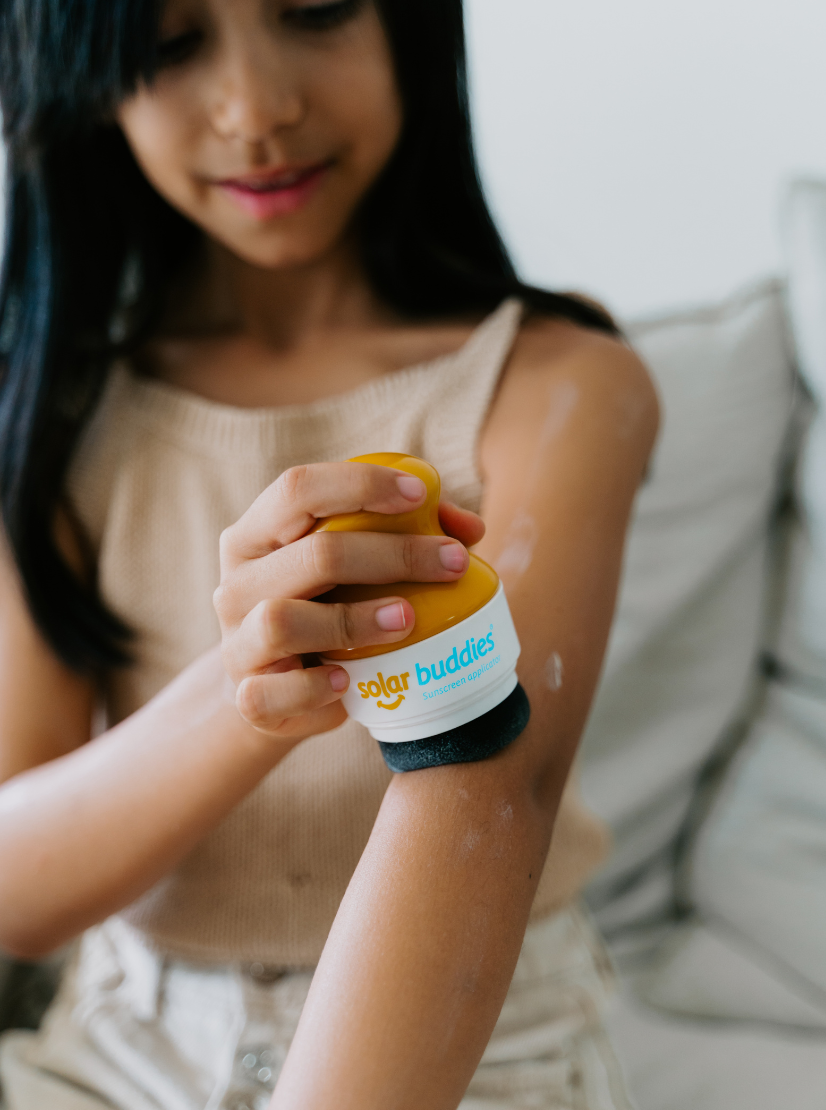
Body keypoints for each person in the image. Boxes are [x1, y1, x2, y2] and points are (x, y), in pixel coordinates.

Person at [0, 1, 658, 1107]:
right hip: (119, 1047)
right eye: (168, 46)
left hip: (480, 1040)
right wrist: (247, 690)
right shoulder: (51, 414)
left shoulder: (558, 382)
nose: (257, 109)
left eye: (313, 10)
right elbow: (18, 893)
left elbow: (495, 779)